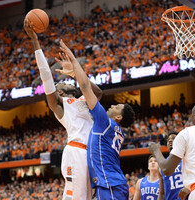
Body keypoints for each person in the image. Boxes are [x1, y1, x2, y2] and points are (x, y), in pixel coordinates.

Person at [24, 20, 103, 200]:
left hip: (92, 154)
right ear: (58, 92)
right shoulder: (60, 105)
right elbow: (46, 78)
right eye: (58, 83)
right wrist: (35, 42)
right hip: (76, 151)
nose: (61, 81)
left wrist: (75, 72)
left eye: (64, 80)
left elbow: (98, 93)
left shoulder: (83, 100)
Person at [59, 40, 135, 200]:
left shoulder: (105, 123)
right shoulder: (114, 129)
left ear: (118, 117)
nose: (112, 105)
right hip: (111, 183)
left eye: (116, 106)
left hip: (110, 184)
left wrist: (74, 63)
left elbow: (86, 88)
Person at [158, 132, 190, 200]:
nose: (170, 141)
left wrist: (189, 188)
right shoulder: (162, 164)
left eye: (174, 139)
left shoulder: (189, 159)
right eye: (168, 140)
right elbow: (161, 193)